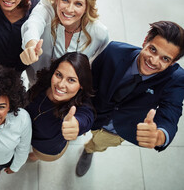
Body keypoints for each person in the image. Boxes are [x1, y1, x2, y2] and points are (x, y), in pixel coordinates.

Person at [75, 21, 184, 177]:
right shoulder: (113, 51)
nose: (153, 61)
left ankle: (89, 150)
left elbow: (171, 113)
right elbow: (89, 81)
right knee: (74, 130)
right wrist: (80, 112)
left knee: (99, 144)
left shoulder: (176, 80)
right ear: (145, 40)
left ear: (173, 62)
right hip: (92, 112)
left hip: (118, 130)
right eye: (152, 49)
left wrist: (160, 135)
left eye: (165, 59)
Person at [20, 0, 109, 85]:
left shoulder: (99, 33)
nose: (69, 9)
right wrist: (31, 46)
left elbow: (96, 68)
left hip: (69, 94)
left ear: (86, 7)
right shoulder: (46, 9)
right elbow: (33, 24)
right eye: (65, 0)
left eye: (78, 4)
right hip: (36, 85)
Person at [26, 52, 95, 162]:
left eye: (71, 80)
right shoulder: (45, 83)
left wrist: (77, 123)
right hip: (28, 134)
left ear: (82, 84)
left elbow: (86, 117)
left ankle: (36, 156)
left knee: (37, 154)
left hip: (45, 150)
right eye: (59, 75)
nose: (60, 85)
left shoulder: (80, 107)